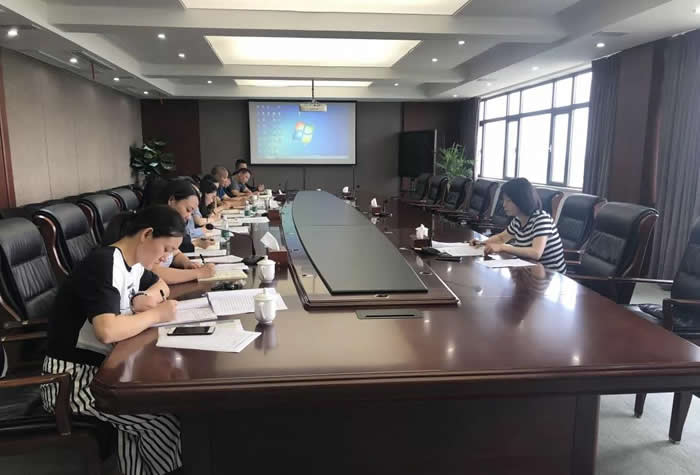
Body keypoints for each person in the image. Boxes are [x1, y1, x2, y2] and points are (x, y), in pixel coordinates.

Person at [41, 206, 184, 475]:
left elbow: (161, 284)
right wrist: (156, 314)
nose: (166, 257)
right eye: (166, 248)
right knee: (161, 421)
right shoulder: (104, 263)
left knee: (138, 422)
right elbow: (107, 331)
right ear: (147, 234)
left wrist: (146, 297)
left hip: (106, 372)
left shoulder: (135, 263)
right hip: (70, 382)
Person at [104, 180, 216, 284]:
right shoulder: (154, 225)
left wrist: (187, 263)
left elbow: (175, 252)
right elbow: (153, 272)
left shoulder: (166, 228)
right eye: (188, 210)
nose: (189, 217)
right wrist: (198, 273)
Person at [472, 178, 566, 273]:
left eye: (508, 201)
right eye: (504, 200)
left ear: (521, 200)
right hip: (528, 269)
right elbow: (501, 238)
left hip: (550, 274)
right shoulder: (518, 219)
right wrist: (481, 243)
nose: (504, 205)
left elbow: (536, 253)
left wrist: (503, 247)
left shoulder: (541, 219)